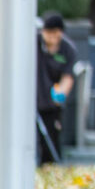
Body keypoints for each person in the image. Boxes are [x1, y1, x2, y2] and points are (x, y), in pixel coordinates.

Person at [37, 12, 77, 164]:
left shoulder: (68, 50)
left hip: (51, 105)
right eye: (49, 33)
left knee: (50, 142)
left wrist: (61, 95)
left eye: (56, 33)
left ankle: (48, 170)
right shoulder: (34, 43)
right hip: (32, 99)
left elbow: (68, 76)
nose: (52, 37)